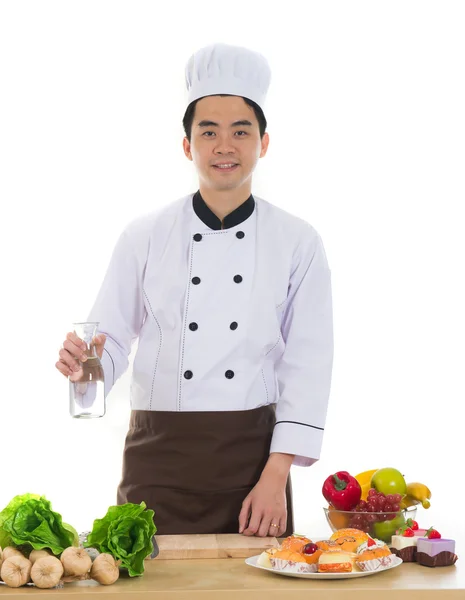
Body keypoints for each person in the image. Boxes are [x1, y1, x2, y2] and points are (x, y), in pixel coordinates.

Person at [55, 42, 334, 538]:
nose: (224, 146)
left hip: (252, 465)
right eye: (209, 131)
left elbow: (307, 366)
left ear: (263, 143)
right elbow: (110, 345)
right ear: (187, 145)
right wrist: (85, 368)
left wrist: (276, 476)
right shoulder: (144, 235)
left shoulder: (298, 242)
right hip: (157, 459)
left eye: (240, 131)